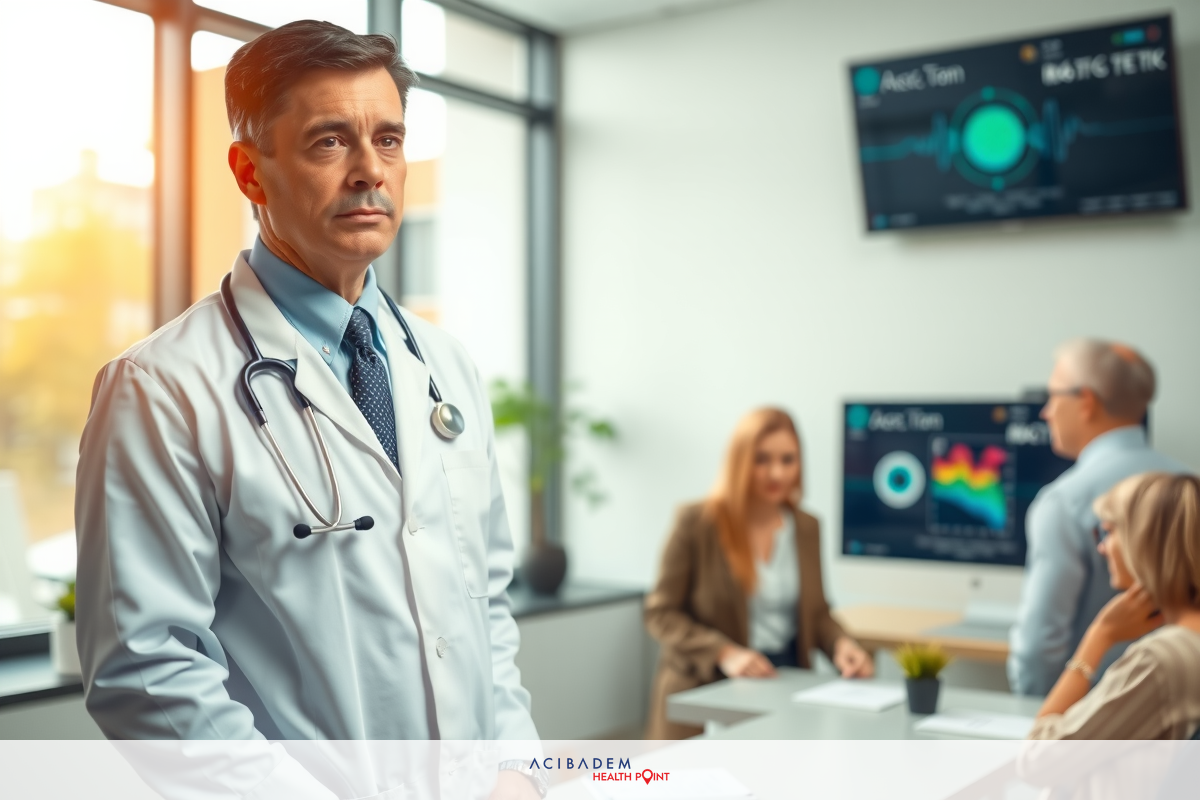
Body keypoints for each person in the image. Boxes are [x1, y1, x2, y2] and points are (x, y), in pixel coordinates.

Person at [75, 22, 542, 800]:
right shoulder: (160, 387)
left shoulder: (446, 366)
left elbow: (482, 609)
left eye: (388, 140)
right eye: (330, 142)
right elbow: (146, 670)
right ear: (250, 173)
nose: (370, 172)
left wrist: (517, 771)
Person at [643, 408, 874, 739]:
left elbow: (817, 613)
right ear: (739, 460)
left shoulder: (807, 527)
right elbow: (660, 613)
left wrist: (841, 644)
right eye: (762, 459)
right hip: (707, 687)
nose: (776, 473)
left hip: (783, 685)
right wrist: (724, 652)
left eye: (787, 459)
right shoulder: (696, 524)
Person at [1008, 339, 1188, 696]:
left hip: (1089, 723)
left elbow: (1038, 649)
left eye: (1053, 396)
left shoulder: (1065, 501)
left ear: (1085, 401)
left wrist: (1039, 722)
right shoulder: (1190, 487)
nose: (1046, 411)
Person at [1027, 472, 1200, 738]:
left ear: (1145, 541)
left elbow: (1038, 756)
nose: (1102, 548)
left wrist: (1100, 635)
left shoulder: (1159, 660)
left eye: (1108, 531)